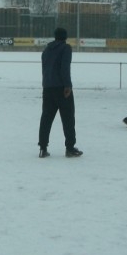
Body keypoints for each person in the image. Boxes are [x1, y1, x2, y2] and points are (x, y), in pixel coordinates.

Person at [38, 27, 83, 158]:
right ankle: (70, 148)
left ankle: (43, 148)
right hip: (61, 88)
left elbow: (45, 69)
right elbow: (65, 67)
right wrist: (67, 85)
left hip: (48, 87)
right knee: (68, 119)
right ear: (65, 37)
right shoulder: (65, 48)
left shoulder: (46, 50)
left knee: (46, 119)